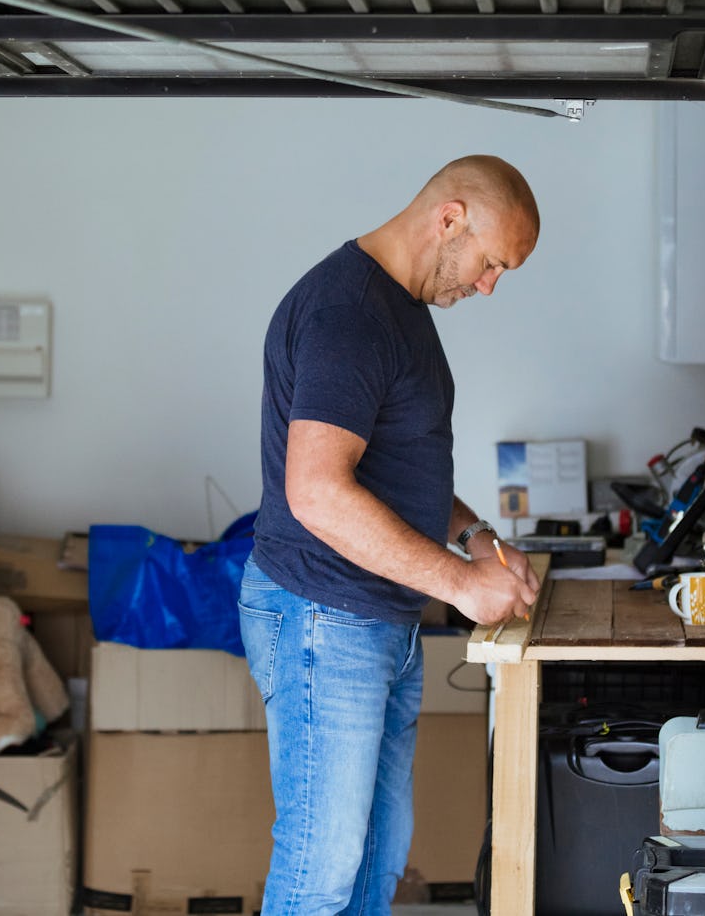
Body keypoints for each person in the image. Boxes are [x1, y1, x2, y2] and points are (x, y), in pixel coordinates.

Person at [239, 155, 543, 916]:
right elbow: (316, 492)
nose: (488, 286)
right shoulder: (351, 314)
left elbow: (393, 467)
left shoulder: (398, 310)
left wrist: (472, 535)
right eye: (490, 263)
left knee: (373, 870)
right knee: (321, 872)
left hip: (375, 622)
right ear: (450, 220)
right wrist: (461, 586)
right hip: (322, 617)